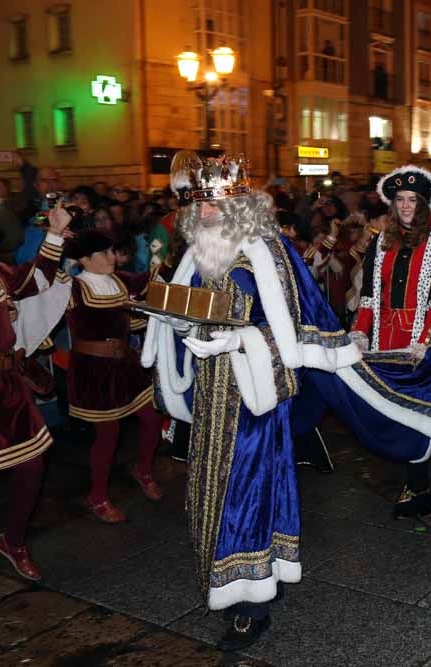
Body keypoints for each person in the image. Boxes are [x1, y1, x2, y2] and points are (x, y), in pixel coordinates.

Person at [142, 151, 361, 650]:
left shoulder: (268, 251)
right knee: (209, 486)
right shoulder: (197, 252)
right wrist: (178, 325)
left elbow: (286, 330)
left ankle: (250, 601)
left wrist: (236, 341)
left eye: (218, 204)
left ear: (240, 204)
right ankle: (236, 583)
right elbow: (186, 307)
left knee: (247, 492)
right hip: (209, 391)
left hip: (253, 396)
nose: (209, 214)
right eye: (202, 205)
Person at [351, 165, 431, 518]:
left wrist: (424, 340)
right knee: (392, 410)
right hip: (384, 336)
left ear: (424, 203)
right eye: (399, 200)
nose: (405, 206)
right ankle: (413, 479)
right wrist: (359, 331)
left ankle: (418, 487)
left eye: (412, 200)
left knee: (415, 413)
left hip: (422, 337)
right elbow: (371, 294)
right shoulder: (382, 238)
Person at [0, 208, 71, 603]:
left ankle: (14, 540)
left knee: (33, 466)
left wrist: (54, 234)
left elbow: (35, 280)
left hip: (8, 386)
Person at [64, 229, 165, 523]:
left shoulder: (119, 280)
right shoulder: (74, 288)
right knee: (108, 435)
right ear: (84, 259)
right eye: (105, 253)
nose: (113, 257)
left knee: (152, 417)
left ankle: (143, 470)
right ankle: (98, 498)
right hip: (94, 371)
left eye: (112, 251)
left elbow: (150, 278)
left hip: (126, 364)